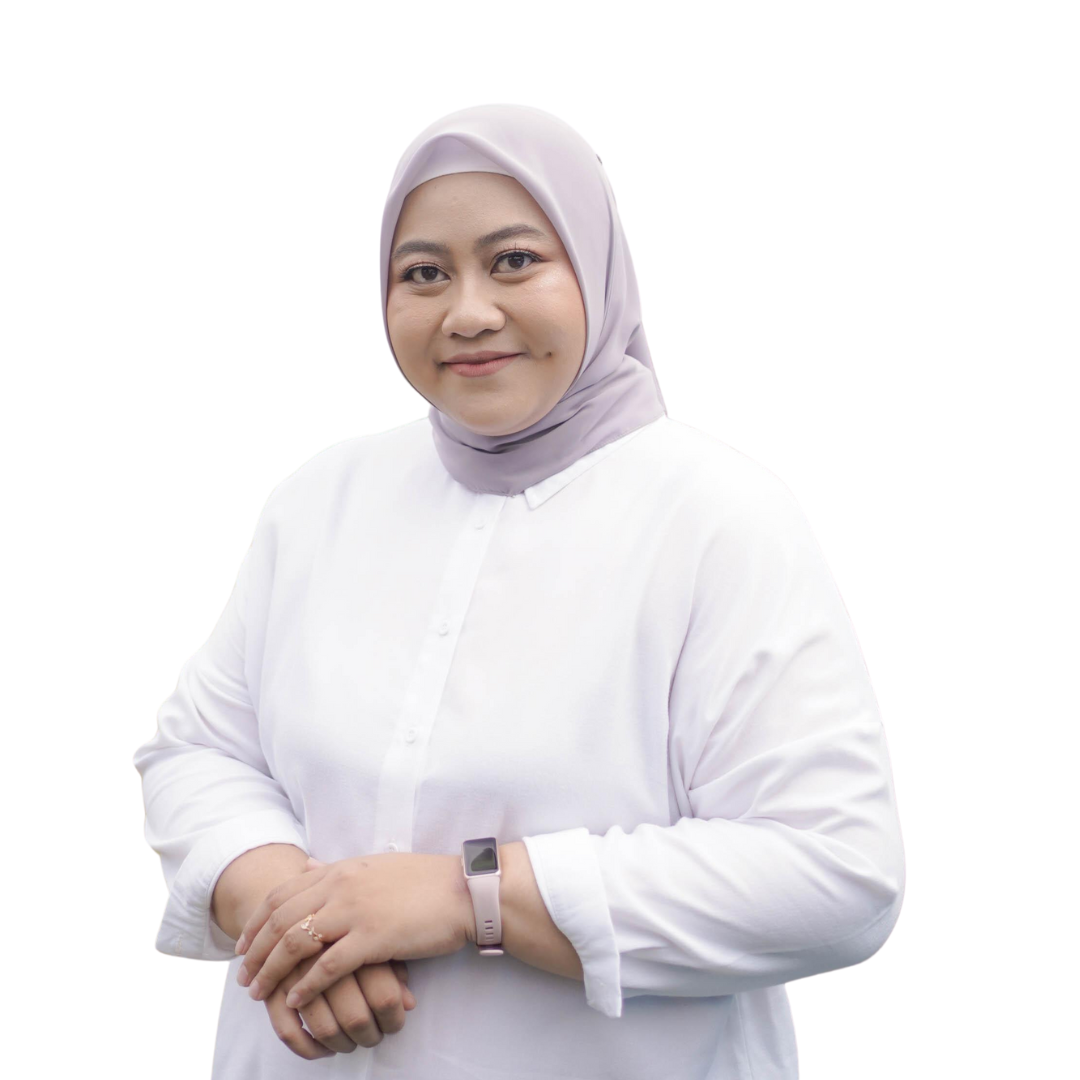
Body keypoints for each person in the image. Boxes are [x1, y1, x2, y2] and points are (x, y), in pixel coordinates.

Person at [133, 102, 905, 1080]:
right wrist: (284, 903)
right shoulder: (321, 501)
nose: (466, 311)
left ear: (597, 269)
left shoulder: (716, 520)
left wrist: (470, 896)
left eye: (513, 261)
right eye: (423, 273)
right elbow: (200, 749)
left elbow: (835, 871)